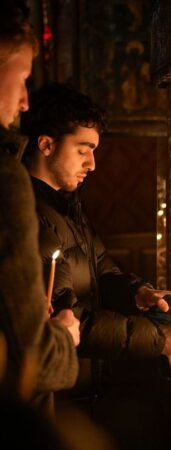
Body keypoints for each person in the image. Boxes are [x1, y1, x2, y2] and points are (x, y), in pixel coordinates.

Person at [21, 82, 171, 364]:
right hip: (61, 391)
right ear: (46, 144)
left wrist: (139, 294)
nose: (92, 164)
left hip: (88, 379)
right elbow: (68, 320)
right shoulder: (28, 214)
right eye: (82, 150)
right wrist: (161, 339)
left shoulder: (67, 205)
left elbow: (103, 272)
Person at [0, 1, 80, 417]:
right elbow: (33, 361)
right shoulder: (7, 180)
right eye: (22, 79)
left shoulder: (70, 205)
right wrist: (63, 337)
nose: (25, 101)